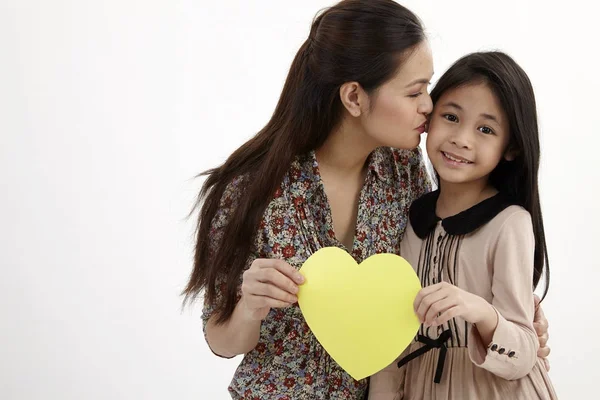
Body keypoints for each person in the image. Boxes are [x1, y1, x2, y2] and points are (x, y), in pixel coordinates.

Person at [183, 1, 550, 398]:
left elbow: (424, 269)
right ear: (355, 97)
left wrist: (503, 320)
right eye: (415, 91)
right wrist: (249, 307)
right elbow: (221, 340)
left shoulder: (402, 167)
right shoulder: (248, 190)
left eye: (427, 87)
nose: (429, 105)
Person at [369, 51, 557, 399]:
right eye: (451, 117)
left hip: (491, 388)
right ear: (428, 118)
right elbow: (393, 336)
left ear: (511, 147)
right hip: (419, 381)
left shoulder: (510, 223)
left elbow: (525, 350)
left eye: (485, 129)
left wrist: (479, 310)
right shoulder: (410, 218)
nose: (462, 138)